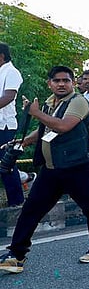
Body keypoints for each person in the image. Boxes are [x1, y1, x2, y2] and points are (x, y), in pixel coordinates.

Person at [0, 66, 89, 274]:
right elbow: (45, 129)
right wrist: (24, 141)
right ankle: (16, 255)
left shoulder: (78, 101)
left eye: (66, 80)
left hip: (77, 167)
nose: (61, 84)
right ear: (49, 83)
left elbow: (62, 126)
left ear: (73, 83)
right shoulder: (50, 103)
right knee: (31, 209)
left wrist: (35, 113)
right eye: (57, 80)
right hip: (52, 169)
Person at [0, 42, 25, 207]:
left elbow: (9, 97)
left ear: (1, 56)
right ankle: (26, 178)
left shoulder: (12, 72)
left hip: (5, 126)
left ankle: (16, 202)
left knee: (6, 164)